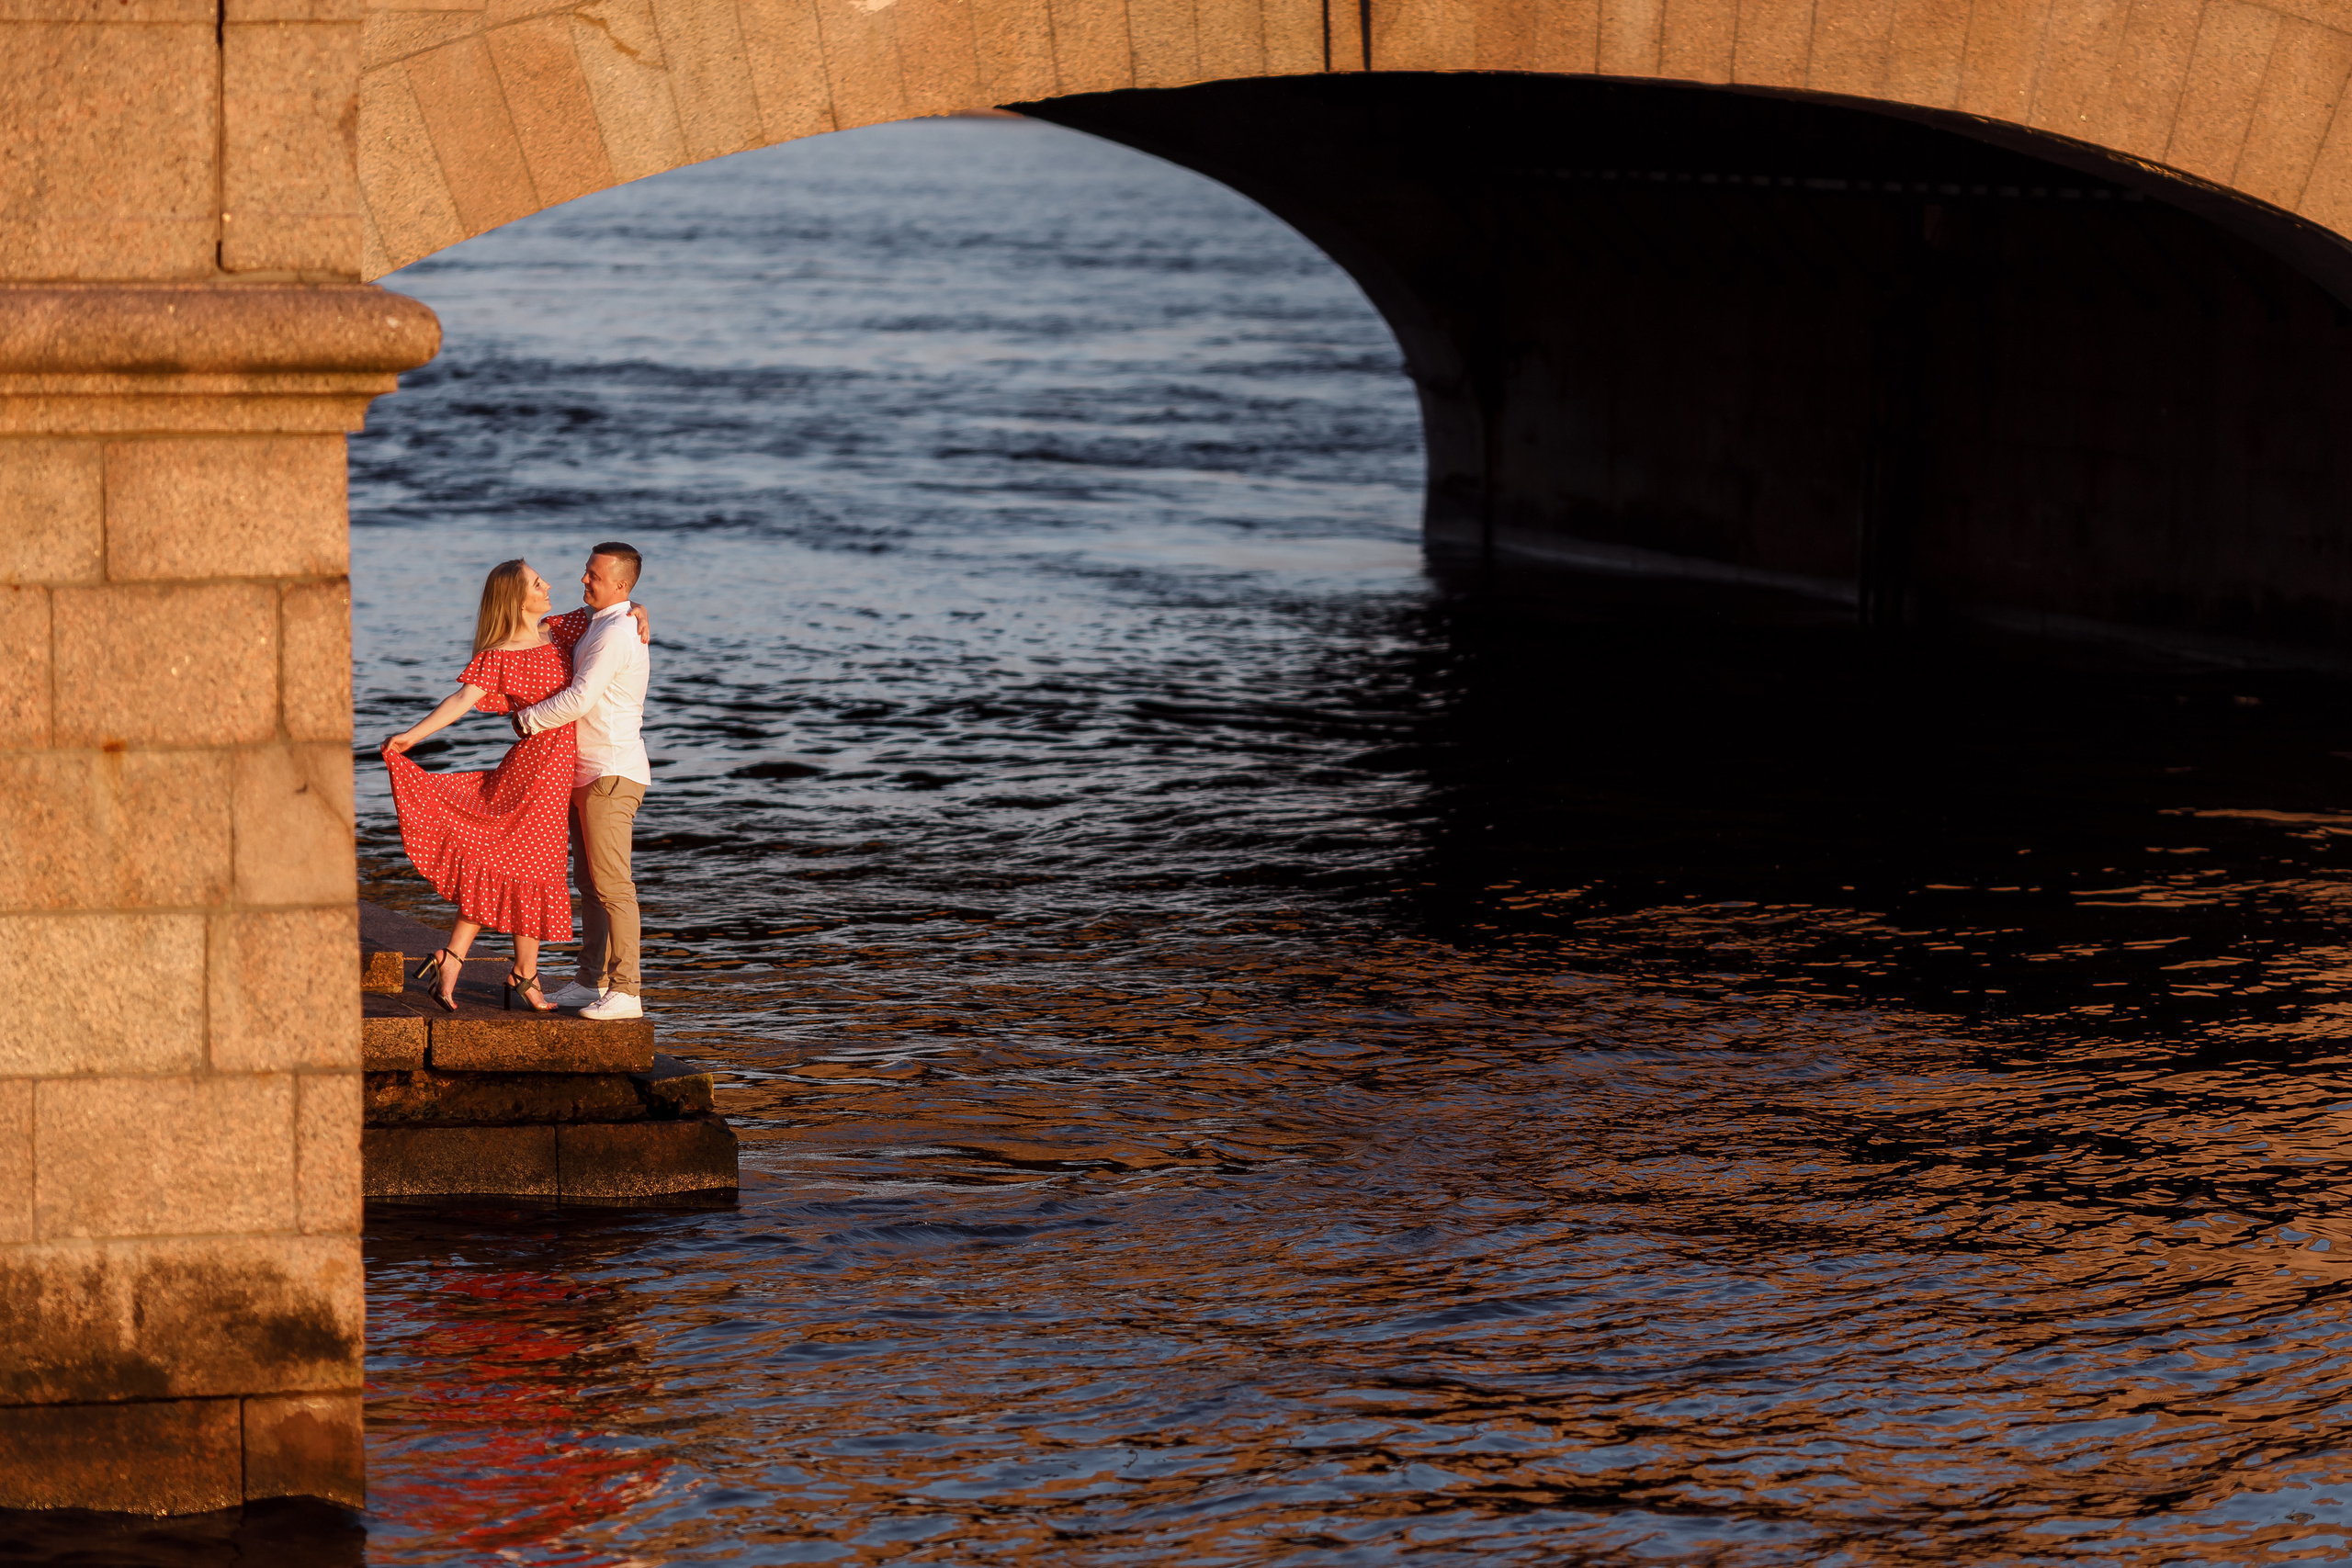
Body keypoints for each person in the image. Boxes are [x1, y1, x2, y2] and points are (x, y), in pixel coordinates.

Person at [380, 559, 650, 1011]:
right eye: (536, 583)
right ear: (516, 597)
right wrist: (412, 736)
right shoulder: (499, 653)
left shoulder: (560, 629)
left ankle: (469, 961)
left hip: (563, 770)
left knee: (518, 865)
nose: (549, 585)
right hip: (535, 770)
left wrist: (639, 605)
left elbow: (612, 607)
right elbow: (462, 699)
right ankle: (519, 974)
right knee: (525, 865)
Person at [512, 543, 653, 1021]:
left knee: (614, 886)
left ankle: (627, 991)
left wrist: (526, 720)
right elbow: (539, 627)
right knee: (591, 885)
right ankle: (591, 979)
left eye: (593, 575)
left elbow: (580, 698)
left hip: (612, 771)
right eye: (585, 572)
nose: (582, 580)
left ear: (620, 584)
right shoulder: (599, 621)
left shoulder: (616, 632)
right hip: (586, 771)